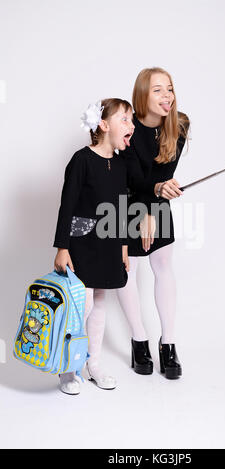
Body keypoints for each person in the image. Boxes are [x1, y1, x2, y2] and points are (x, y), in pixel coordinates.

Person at [53, 98, 134, 394]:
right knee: (82, 305)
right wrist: (62, 247)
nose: (131, 125)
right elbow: (67, 205)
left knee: (100, 303)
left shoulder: (121, 165)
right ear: (103, 125)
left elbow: (123, 208)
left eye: (132, 121)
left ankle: (93, 364)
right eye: (125, 119)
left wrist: (124, 247)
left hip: (110, 245)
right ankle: (68, 369)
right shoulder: (81, 160)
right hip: (82, 244)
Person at [116, 67, 190, 380]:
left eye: (169, 89)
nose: (167, 96)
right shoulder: (126, 127)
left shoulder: (180, 124)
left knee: (162, 263)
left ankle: (168, 343)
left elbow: (163, 173)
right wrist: (144, 210)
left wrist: (156, 200)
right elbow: (127, 178)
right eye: (158, 90)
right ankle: (138, 339)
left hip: (156, 201)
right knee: (127, 267)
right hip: (124, 201)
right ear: (143, 95)